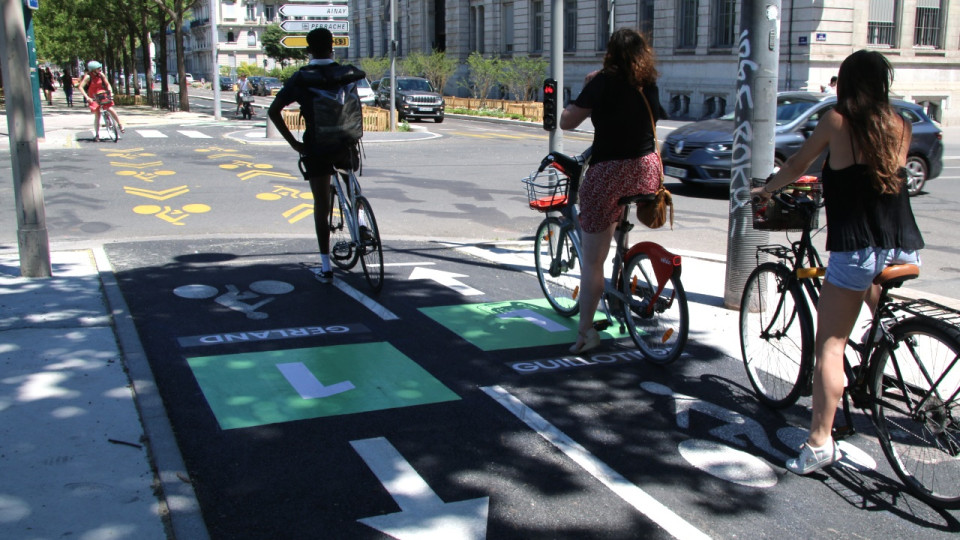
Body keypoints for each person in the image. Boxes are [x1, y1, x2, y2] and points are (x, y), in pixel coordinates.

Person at [752, 50, 924, 475]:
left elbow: (797, 163)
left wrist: (767, 190)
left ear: (845, 83)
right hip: (900, 244)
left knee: (830, 345)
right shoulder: (900, 124)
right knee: (864, 286)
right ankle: (888, 338)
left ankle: (819, 443)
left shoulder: (837, 121)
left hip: (857, 246)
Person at [557, 28, 665, 353]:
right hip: (646, 171)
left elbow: (566, 121)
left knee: (592, 262)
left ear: (610, 54)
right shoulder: (649, 85)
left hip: (608, 172)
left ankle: (585, 333)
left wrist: (588, 88)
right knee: (617, 215)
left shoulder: (602, 82)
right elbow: (653, 121)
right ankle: (624, 265)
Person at [267, 28, 365, 283]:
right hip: (345, 143)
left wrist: (293, 144)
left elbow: (274, 111)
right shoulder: (346, 73)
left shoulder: (301, 78)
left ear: (308, 50)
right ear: (332, 46)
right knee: (351, 183)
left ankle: (326, 267)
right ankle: (362, 222)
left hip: (317, 148)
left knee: (321, 205)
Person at [78, 60, 124, 141]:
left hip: (102, 94)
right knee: (97, 115)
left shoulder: (101, 75)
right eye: (98, 68)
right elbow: (80, 87)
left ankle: (120, 124)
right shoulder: (88, 77)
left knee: (110, 108)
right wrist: (87, 97)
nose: (100, 69)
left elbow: (107, 84)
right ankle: (97, 135)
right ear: (93, 69)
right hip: (93, 96)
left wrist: (110, 92)